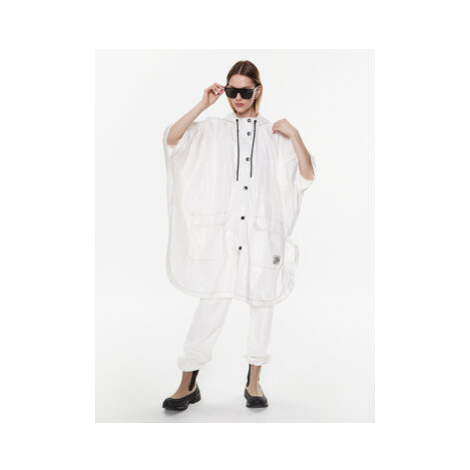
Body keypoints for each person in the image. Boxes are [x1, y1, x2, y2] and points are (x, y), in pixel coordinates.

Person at [161, 60, 316, 411]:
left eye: (245, 91)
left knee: (263, 302)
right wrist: (204, 104)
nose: (238, 98)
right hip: (224, 234)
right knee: (213, 300)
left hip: (262, 231)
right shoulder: (213, 129)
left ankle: (254, 382)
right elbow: (173, 139)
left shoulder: (274, 133)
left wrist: (296, 135)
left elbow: (306, 175)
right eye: (232, 91)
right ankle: (187, 383)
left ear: (258, 90)